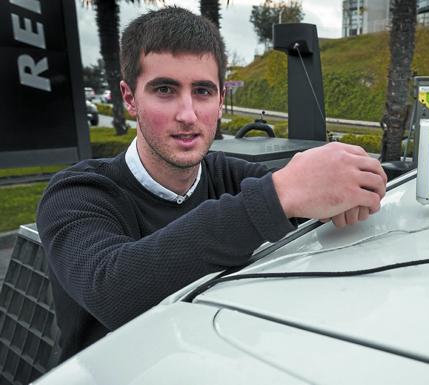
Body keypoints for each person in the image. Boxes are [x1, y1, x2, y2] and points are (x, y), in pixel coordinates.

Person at [36, 6, 387, 361]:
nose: (187, 114)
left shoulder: (229, 175)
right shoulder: (76, 194)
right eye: (164, 90)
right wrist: (279, 196)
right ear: (130, 98)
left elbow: (304, 203)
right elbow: (112, 290)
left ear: (221, 101)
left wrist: (348, 187)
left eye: (203, 91)